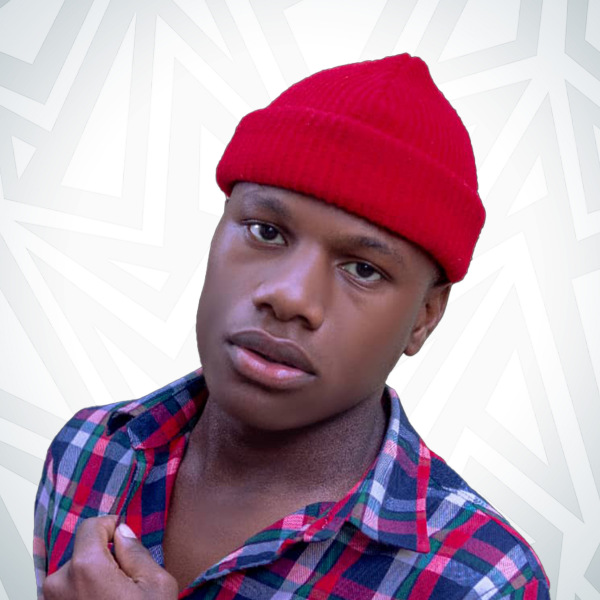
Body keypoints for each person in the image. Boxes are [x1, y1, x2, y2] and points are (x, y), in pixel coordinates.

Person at [34, 54, 550, 599]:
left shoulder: (481, 579)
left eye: (363, 269)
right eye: (266, 231)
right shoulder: (88, 451)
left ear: (425, 317)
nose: (290, 297)